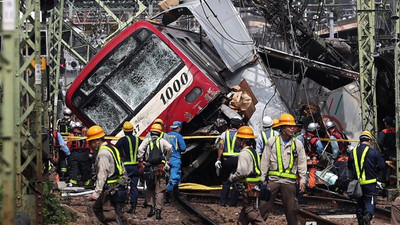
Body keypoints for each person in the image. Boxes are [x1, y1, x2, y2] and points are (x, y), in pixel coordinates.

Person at [259, 113, 307, 225]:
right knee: (263, 207)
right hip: (273, 180)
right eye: (289, 126)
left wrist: (303, 179)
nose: (292, 128)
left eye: (293, 126)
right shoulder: (272, 142)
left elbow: (302, 162)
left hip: (289, 182)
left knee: (292, 211)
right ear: (282, 127)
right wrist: (262, 179)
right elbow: (265, 161)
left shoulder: (297, 144)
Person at [87, 125, 127, 225]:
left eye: (91, 142)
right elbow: (121, 167)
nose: (89, 145)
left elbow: (102, 175)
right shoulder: (112, 149)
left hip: (109, 189)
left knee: (109, 215)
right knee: (97, 208)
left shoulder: (103, 153)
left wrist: (96, 193)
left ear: (97, 140)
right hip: (116, 186)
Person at [228, 126, 266, 225]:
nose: (236, 141)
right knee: (245, 213)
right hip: (255, 185)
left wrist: (232, 177)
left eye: (238, 139)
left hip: (248, 186)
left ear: (243, 140)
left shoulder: (244, 153)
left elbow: (242, 172)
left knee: (251, 212)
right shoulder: (254, 152)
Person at [348, 130, 385, 225]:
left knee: (360, 202)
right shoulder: (374, 152)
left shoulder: (353, 152)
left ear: (360, 140)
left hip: (358, 183)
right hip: (370, 183)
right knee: (370, 201)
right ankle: (367, 215)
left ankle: (360, 220)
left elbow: (349, 167)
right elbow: (382, 166)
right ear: (370, 141)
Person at [137, 123, 172, 220]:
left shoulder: (147, 141)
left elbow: (140, 150)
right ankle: (158, 211)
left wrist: (141, 160)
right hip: (160, 168)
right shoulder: (162, 141)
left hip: (149, 168)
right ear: (160, 132)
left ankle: (151, 208)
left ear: (151, 132)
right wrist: (167, 159)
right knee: (160, 190)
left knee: (150, 188)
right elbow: (169, 148)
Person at [215, 117, 243, 207]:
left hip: (226, 160)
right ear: (239, 126)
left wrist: (218, 160)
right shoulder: (240, 134)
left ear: (230, 125)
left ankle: (223, 202)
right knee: (236, 180)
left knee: (226, 181)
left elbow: (221, 147)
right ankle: (233, 203)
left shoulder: (224, 134)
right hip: (237, 159)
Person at [114, 121, 142, 214]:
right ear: (132, 130)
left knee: (122, 186)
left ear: (124, 131)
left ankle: (121, 206)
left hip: (126, 166)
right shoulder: (138, 139)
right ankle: (133, 207)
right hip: (135, 167)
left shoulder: (122, 140)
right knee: (134, 187)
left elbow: (115, 148)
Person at [166, 121, 186, 202]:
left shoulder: (166, 135)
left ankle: (175, 192)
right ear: (178, 128)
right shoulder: (179, 136)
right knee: (175, 177)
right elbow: (183, 148)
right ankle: (166, 195)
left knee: (168, 177)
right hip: (175, 158)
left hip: (167, 159)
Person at [67, 121, 92, 187]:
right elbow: (87, 145)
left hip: (75, 154)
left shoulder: (71, 136)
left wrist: (68, 154)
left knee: (74, 168)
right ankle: (86, 182)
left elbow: (68, 146)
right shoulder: (84, 136)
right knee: (84, 168)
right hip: (83, 154)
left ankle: (73, 182)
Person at [302, 122, 324, 189]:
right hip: (312, 158)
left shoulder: (302, 137)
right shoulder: (315, 139)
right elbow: (320, 148)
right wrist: (318, 155)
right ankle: (311, 187)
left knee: (301, 173)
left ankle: (300, 185)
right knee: (312, 173)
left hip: (303, 158)